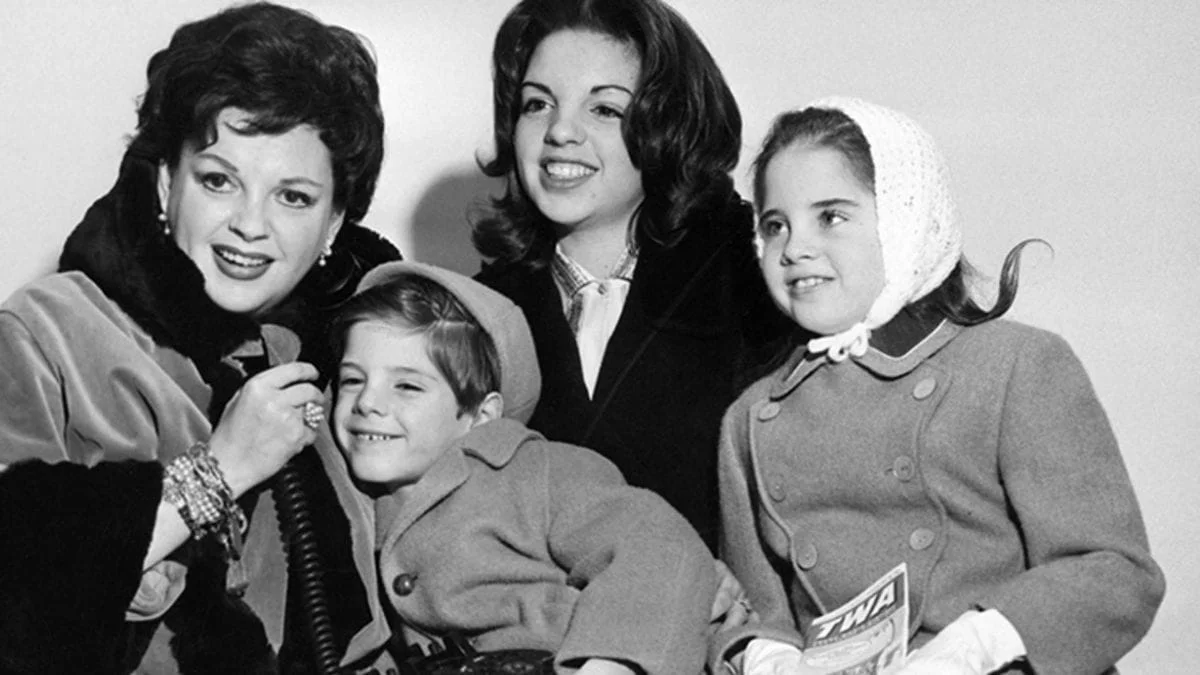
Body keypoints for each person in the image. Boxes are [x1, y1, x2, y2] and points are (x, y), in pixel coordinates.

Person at [0, 3, 399, 672]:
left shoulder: (338, 364)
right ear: (166, 182)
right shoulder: (48, 332)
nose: (251, 224)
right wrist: (218, 471)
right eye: (219, 180)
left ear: (334, 224)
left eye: (293, 197)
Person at [711, 97, 1165, 674]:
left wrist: (971, 649)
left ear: (908, 218)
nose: (794, 248)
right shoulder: (751, 418)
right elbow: (756, 608)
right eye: (775, 225)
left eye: (830, 217)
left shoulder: (1015, 365)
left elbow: (1114, 572)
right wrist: (768, 657)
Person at [471, 0, 796, 554]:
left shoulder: (756, 274)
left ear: (668, 125)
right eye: (537, 104)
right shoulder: (476, 311)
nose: (560, 131)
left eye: (604, 109)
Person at [312, 261, 715, 675]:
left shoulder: (537, 470)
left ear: (481, 416)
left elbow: (658, 544)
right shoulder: (342, 505)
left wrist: (612, 663)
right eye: (352, 380)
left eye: (407, 386)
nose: (367, 403)